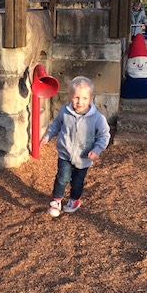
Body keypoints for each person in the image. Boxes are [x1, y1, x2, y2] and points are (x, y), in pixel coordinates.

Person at [40, 76, 111, 217]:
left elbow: (104, 135)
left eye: (84, 98)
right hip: (65, 153)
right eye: (76, 97)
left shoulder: (97, 118)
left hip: (84, 156)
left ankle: (74, 200)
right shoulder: (65, 111)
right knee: (62, 177)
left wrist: (96, 150)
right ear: (70, 97)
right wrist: (48, 136)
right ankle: (56, 200)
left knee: (77, 182)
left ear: (91, 98)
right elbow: (56, 124)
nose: (80, 102)